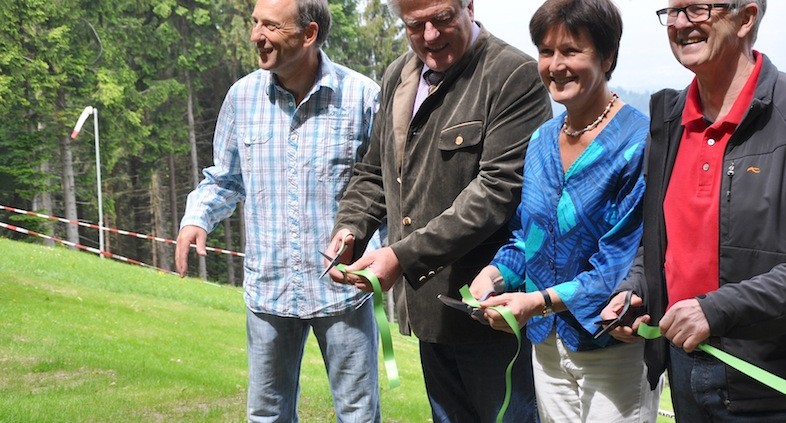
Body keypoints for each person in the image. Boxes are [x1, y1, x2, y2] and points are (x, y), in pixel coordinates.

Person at [601, 0, 786, 421]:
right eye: (672, 12)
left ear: (746, 18)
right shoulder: (670, 120)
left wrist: (716, 310)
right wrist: (635, 292)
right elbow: (662, 243)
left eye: (699, 9)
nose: (681, 23)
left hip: (769, 382)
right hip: (683, 365)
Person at [323, 0, 552, 421]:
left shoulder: (512, 75)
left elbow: (496, 192)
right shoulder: (399, 75)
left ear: (469, 6)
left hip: (493, 315)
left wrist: (400, 256)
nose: (430, 36)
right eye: (415, 25)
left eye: (442, 19)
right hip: (431, 315)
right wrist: (351, 228)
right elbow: (376, 171)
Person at [173, 0, 382, 421]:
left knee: (358, 414)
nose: (256, 35)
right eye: (255, 23)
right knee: (266, 414)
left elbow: (383, 188)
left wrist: (387, 254)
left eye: (270, 25)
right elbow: (224, 179)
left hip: (343, 290)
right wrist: (198, 217)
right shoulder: (242, 97)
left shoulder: (362, 97)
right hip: (268, 290)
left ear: (308, 34)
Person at [467, 0, 660, 421]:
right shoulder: (540, 140)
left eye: (571, 51)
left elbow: (618, 261)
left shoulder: (639, 141)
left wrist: (535, 302)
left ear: (607, 57)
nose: (556, 65)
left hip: (609, 344)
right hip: (546, 345)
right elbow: (527, 236)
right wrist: (495, 275)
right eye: (546, 51)